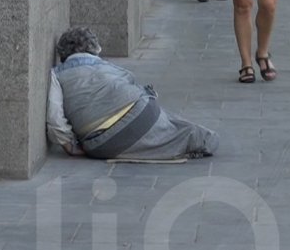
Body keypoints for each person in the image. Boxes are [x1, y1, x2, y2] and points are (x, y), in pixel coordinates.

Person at [46, 27, 218, 160]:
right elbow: (132, 82)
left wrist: (68, 145)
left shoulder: (57, 74)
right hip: (141, 113)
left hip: (101, 143)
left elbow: (54, 117)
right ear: (95, 49)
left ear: (63, 55)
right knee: (177, 128)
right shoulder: (107, 66)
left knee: (167, 133)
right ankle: (204, 139)